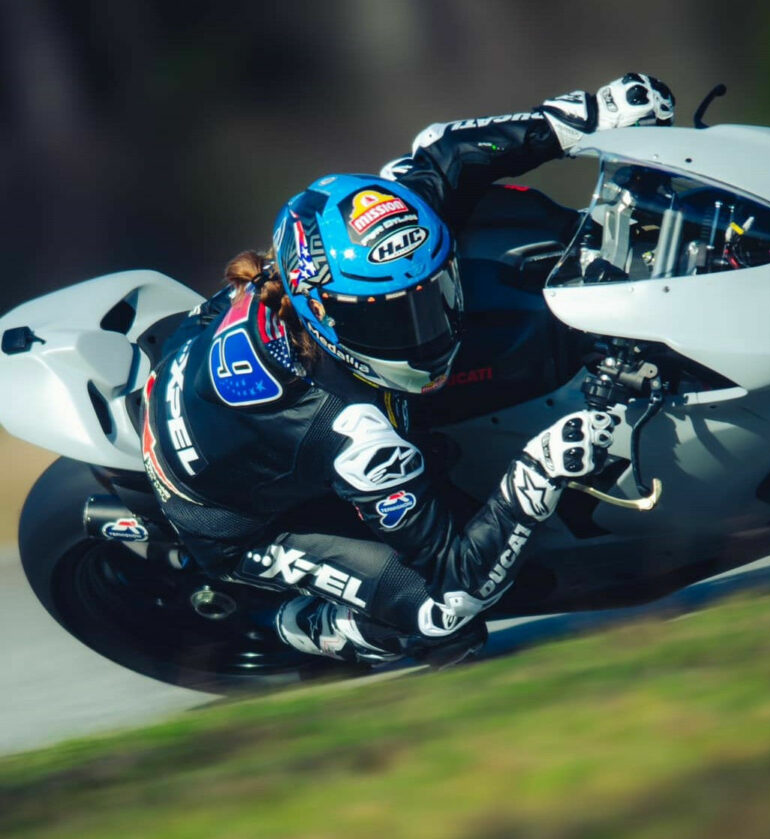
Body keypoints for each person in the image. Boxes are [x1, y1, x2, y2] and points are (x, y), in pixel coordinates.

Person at [141, 74, 676, 666]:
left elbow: (443, 152)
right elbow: (458, 580)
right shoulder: (349, 433)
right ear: (321, 313)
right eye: (390, 320)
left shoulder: (366, 250)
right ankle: (310, 626)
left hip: (206, 378)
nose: (425, 335)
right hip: (231, 517)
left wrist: (586, 114)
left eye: (429, 298)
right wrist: (539, 472)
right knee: (441, 622)